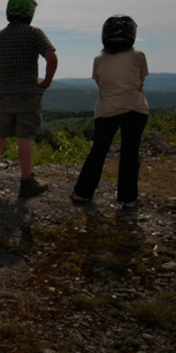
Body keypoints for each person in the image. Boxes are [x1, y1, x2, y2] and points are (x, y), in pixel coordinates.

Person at [0, 0, 58, 197]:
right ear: (30, 12)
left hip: (5, 93)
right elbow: (51, 58)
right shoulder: (35, 33)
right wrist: (47, 81)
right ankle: (26, 181)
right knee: (25, 136)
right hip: (29, 95)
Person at [71, 14, 148, 208]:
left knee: (98, 151)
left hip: (106, 110)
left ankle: (82, 193)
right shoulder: (138, 56)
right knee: (130, 152)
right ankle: (129, 198)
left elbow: (99, 82)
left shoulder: (99, 59)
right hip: (135, 109)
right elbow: (140, 83)